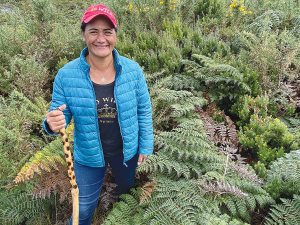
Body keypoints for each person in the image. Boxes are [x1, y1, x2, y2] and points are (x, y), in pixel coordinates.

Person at [43, 4, 154, 224]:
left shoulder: (133, 71)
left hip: (127, 152)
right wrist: (52, 122)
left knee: (127, 195)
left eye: (107, 31)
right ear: (83, 34)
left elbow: (144, 109)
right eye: (93, 31)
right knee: (82, 208)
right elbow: (60, 114)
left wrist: (146, 145)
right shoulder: (66, 75)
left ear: (115, 35)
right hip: (88, 154)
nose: (100, 38)